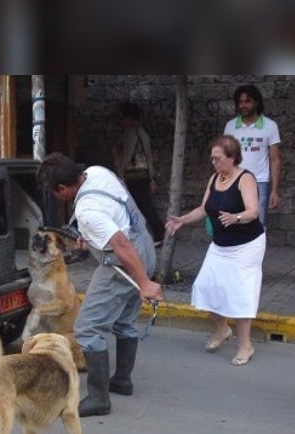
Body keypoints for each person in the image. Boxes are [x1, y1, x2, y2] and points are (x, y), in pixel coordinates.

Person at [37, 152, 163, 417]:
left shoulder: (86, 210)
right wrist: (90, 235)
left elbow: (120, 243)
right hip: (146, 244)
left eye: (55, 193)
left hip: (124, 262)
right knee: (124, 321)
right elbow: (116, 213)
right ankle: (122, 380)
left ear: (62, 188)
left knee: (85, 328)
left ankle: (98, 399)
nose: (57, 198)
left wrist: (144, 282)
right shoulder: (97, 171)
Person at [165, 135, 266, 366]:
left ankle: (245, 346)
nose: (214, 163)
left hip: (247, 246)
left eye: (218, 158)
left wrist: (236, 217)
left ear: (232, 157)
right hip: (220, 245)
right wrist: (183, 220)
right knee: (203, 288)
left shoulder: (245, 178)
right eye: (212, 159)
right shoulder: (214, 179)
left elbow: (253, 212)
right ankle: (222, 329)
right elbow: (203, 209)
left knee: (240, 295)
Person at [223, 84, 281, 227]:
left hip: (260, 182)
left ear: (256, 102)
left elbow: (275, 160)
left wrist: (274, 190)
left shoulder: (270, 126)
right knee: (233, 222)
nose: (243, 105)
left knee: (258, 224)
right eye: (240, 102)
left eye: (247, 101)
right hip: (234, 181)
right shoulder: (230, 126)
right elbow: (225, 158)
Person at [113, 101, 164, 244]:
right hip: (143, 174)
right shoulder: (141, 131)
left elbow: (128, 154)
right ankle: (156, 234)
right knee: (145, 205)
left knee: (140, 206)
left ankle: (156, 234)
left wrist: (120, 170)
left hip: (134, 174)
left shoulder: (131, 132)